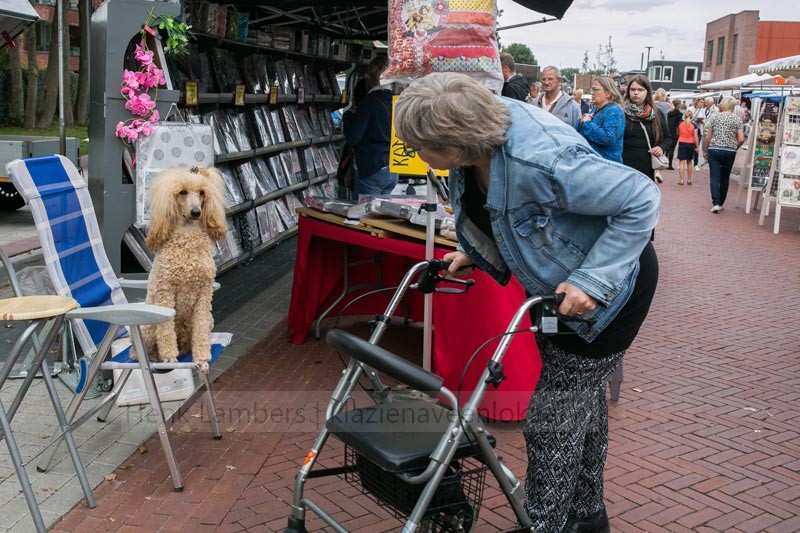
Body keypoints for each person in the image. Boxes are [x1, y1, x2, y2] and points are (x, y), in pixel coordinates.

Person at [394, 72, 660, 533]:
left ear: (456, 142)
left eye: (421, 146)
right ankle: (586, 516)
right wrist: (476, 251)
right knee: (579, 402)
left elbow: (641, 197)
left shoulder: (542, 160)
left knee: (552, 416)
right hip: (558, 291)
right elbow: (500, 214)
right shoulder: (478, 147)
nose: (417, 154)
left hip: (610, 291)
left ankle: (544, 524)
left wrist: (591, 281)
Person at [343, 55, 397, 196]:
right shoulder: (396, 101)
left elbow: (353, 137)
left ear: (369, 78)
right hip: (393, 166)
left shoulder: (368, 102)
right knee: (382, 209)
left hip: (372, 167)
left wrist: (348, 116)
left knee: (364, 209)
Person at [621, 75, 670, 184]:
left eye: (640, 90)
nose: (636, 93)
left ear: (647, 92)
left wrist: (661, 148)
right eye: (632, 89)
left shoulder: (656, 114)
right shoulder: (621, 112)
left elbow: (667, 138)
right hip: (623, 166)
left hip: (646, 167)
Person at [702, 96, 744, 213]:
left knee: (714, 177)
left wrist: (705, 149)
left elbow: (708, 137)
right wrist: (735, 146)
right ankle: (721, 202)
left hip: (714, 149)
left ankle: (715, 202)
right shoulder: (737, 119)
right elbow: (741, 138)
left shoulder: (715, 117)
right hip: (729, 150)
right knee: (725, 177)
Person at [576, 76, 625, 163]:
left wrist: (587, 123)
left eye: (595, 90)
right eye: (592, 90)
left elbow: (608, 138)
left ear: (608, 93)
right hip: (592, 163)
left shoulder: (615, 111)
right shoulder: (595, 109)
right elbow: (577, 129)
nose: (592, 93)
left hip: (606, 165)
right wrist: (581, 121)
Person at [676, 110, 699, 185]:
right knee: (689, 162)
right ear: (692, 117)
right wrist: (697, 147)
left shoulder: (680, 124)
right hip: (691, 144)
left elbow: (678, 133)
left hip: (682, 142)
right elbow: (696, 137)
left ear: (684, 116)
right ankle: (689, 179)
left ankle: (681, 180)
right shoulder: (694, 125)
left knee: (681, 162)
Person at [666, 99, 683, 170]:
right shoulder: (679, 114)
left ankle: (664, 162)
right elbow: (679, 124)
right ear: (678, 105)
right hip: (675, 133)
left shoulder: (668, 113)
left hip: (667, 131)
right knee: (672, 149)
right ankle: (669, 165)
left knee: (667, 148)